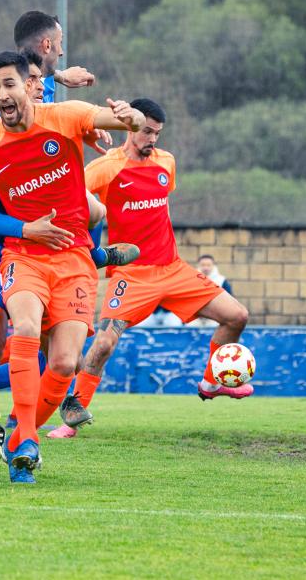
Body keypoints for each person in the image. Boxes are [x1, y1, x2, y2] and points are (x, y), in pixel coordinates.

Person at [0, 50, 144, 483]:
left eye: (9, 84)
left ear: (30, 85)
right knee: (24, 330)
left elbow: (118, 121)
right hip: (21, 255)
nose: (2, 94)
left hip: (72, 258)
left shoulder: (64, 116)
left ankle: (18, 437)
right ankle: (25, 438)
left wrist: (128, 117)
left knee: (65, 364)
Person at [0, 15, 131, 469]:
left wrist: (118, 119)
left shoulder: (50, 102)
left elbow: (80, 116)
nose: (33, 86)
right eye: (31, 78)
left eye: (36, 79)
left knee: (58, 355)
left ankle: (26, 424)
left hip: (53, 244)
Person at [46, 98, 252, 439]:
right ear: (130, 128)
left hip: (172, 269)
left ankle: (211, 382)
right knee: (103, 345)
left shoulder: (166, 163)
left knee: (237, 316)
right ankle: (71, 420)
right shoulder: (106, 167)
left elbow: (161, 209)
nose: (152, 139)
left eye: (157, 133)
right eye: (146, 131)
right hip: (131, 275)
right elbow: (70, 197)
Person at [189, 254, 233, 327]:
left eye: (208, 265)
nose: (206, 268)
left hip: (215, 316)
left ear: (213, 265)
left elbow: (230, 299)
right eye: (203, 265)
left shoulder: (221, 280)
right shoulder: (192, 280)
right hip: (196, 316)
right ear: (198, 265)